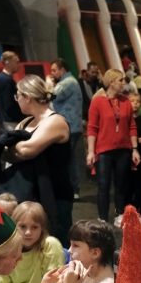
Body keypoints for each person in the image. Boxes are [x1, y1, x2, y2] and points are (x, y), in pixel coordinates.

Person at [1, 75, 74, 246]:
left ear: (27, 97)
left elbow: (27, 150)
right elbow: (6, 151)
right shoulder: (26, 122)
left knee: (55, 243)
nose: (17, 100)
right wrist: (13, 148)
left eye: (18, 96)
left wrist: (13, 146)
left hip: (56, 195)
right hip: (31, 194)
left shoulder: (56, 121)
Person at [87, 69, 140, 224]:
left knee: (121, 185)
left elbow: (132, 126)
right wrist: (90, 151)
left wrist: (135, 149)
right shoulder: (97, 102)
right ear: (111, 82)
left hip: (123, 149)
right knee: (103, 185)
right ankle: (102, 218)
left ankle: (120, 215)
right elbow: (92, 128)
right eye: (120, 80)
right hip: (103, 150)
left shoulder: (126, 102)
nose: (124, 83)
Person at [0, 201, 66, 283]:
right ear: (13, 227)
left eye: (34, 227)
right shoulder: (7, 249)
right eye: (22, 226)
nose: (28, 232)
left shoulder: (50, 245)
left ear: (42, 228)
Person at [50, 58, 84, 200]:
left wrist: (47, 85)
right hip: (70, 126)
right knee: (70, 158)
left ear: (62, 70)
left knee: (67, 158)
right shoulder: (69, 82)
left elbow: (52, 96)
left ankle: (72, 189)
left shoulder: (67, 83)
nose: (52, 73)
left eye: (54, 70)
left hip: (69, 126)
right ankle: (72, 188)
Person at [65, 219, 116, 283]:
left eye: (75, 245)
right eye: (71, 244)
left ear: (95, 253)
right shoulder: (81, 272)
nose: (69, 250)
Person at [0, 51, 26, 131]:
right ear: (7, 63)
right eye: (17, 62)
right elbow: (9, 104)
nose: (19, 65)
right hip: (11, 121)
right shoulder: (7, 80)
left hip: (4, 119)